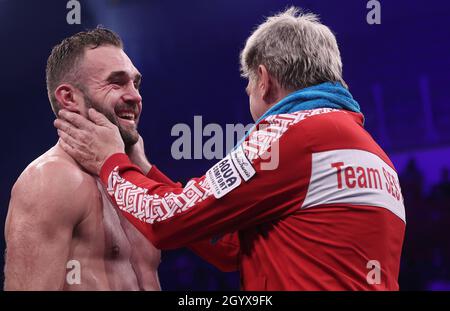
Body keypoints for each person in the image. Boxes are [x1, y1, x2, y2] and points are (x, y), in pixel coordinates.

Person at [55, 8, 406, 290]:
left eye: (249, 84)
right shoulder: (376, 154)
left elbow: (165, 222)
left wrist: (110, 162)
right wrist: (145, 170)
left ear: (264, 79)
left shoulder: (288, 134)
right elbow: (231, 248)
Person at [4, 28, 163, 290]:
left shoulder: (132, 180)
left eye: (136, 83)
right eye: (116, 82)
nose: (135, 96)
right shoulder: (50, 179)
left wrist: (143, 167)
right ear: (69, 98)